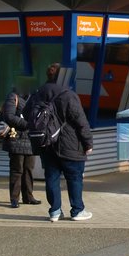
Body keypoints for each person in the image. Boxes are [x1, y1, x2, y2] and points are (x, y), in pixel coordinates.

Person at [28, 63, 93, 222]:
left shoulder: (38, 93)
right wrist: (88, 143)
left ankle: (55, 211)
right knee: (74, 177)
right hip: (70, 144)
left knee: (52, 177)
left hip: (46, 144)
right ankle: (77, 210)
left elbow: (27, 114)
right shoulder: (68, 95)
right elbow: (81, 122)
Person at [0, 78, 40, 209]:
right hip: (16, 139)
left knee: (29, 169)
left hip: (30, 139)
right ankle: (14, 198)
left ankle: (28, 196)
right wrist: (27, 124)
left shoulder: (34, 97)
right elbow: (9, 116)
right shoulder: (13, 96)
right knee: (17, 170)